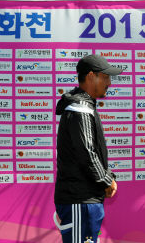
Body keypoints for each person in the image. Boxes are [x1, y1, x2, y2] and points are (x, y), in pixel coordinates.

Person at [54, 54, 122, 243]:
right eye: (106, 76)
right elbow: (87, 153)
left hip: (85, 199)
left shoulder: (85, 106)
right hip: (79, 199)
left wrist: (107, 179)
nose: (109, 82)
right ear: (91, 76)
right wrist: (107, 181)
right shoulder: (80, 108)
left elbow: (92, 152)